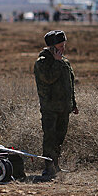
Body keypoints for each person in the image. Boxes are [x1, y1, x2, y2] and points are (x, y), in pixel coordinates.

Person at [34, 30, 78, 178]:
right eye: (60, 45)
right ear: (52, 47)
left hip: (64, 107)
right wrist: (57, 62)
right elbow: (48, 79)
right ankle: (48, 168)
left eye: (64, 45)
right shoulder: (42, 62)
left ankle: (56, 166)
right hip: (50, 108)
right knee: (50, 138)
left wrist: (73, 103)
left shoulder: (63, 61)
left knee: (60, 138)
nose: (63, 48)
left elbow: (69, 83)